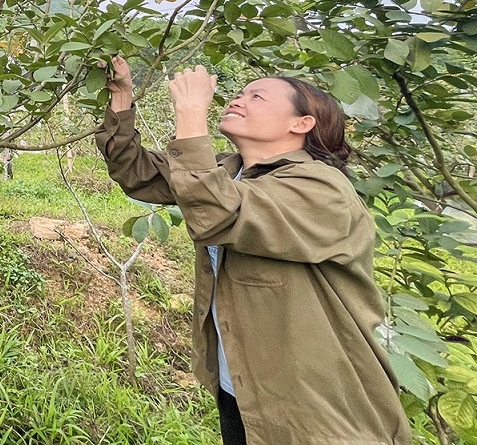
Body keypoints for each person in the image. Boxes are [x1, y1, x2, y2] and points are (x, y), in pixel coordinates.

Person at [95, 56, 411, 445]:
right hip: (244, 391)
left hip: (315, 409)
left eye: (257, 96)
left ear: (301, 123)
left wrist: (191, 114)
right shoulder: (229, 170)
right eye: (240, 93)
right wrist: (122, 97)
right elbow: (138, 173)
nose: (237, 100)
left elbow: (218, 213)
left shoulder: (322, 188)